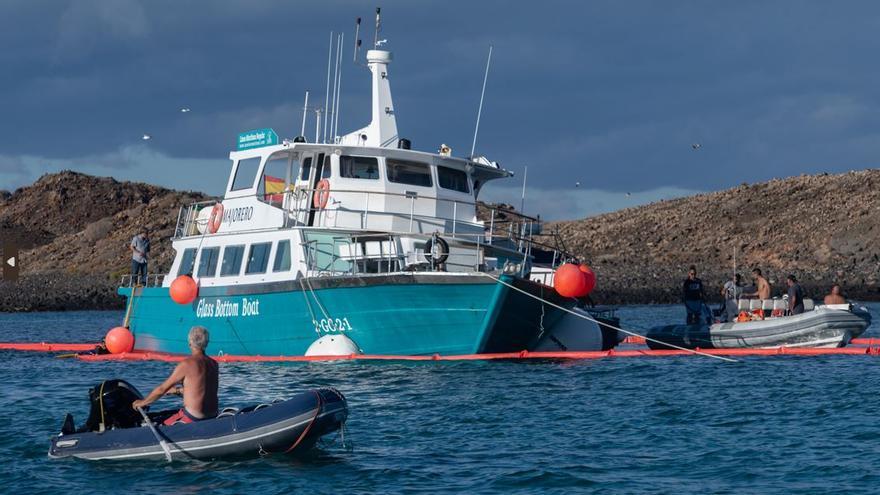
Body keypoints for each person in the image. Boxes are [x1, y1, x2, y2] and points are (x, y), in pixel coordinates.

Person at [132, 326, 219, 425]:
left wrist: (142, 402)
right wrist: (177, 391)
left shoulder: (186, 364)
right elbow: (201, 390)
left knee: (152, 423)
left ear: (189, 342)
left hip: (194, 418)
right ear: (207, 343)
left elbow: (161, 389)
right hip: (212, 415)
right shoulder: (214, 364)